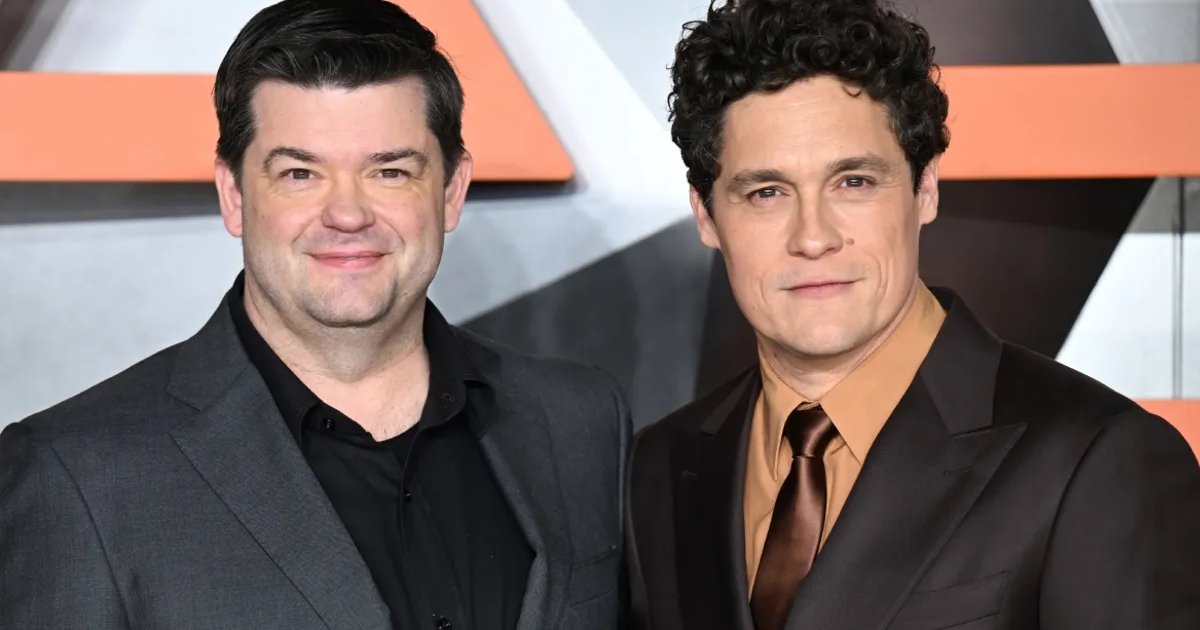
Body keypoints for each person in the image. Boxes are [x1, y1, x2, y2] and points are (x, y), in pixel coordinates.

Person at [0, 1, 628, 628]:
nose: (348, 215)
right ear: (233, 195)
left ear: (450, 191)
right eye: (300, 174)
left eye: (390, 171)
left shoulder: (581, 420)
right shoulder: (77, 474)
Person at [625, 1, 1200, 628]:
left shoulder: (1098, 458)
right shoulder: (657, 468)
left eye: (854, 182)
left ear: (925, 188)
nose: (813, 237)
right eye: (767, 192)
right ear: (706, 216)